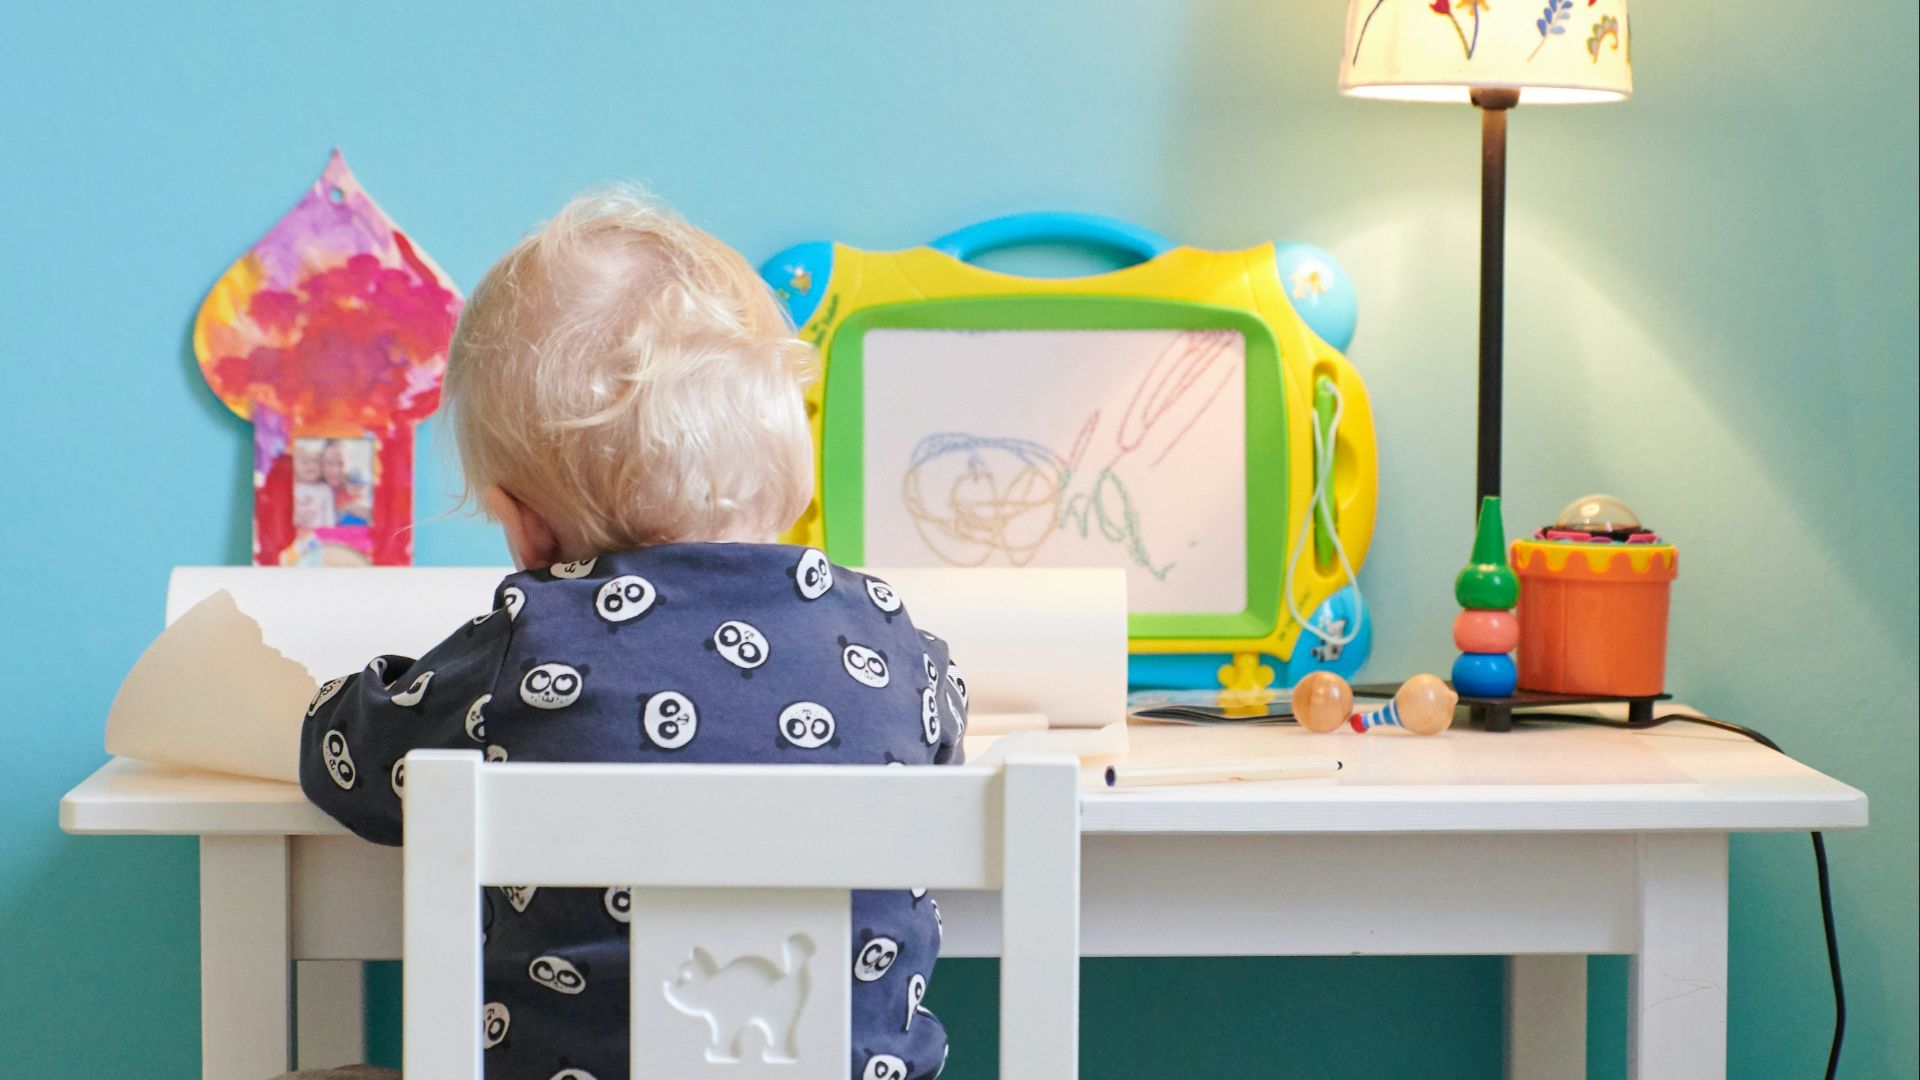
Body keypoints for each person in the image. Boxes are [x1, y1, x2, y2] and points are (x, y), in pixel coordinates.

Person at [295, 187, 964, 1080]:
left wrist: (325, 701)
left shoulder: (524, 647)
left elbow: (351, 759)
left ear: (523, 524)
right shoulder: (887, 639)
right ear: (792, 475)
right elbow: (949, 732)